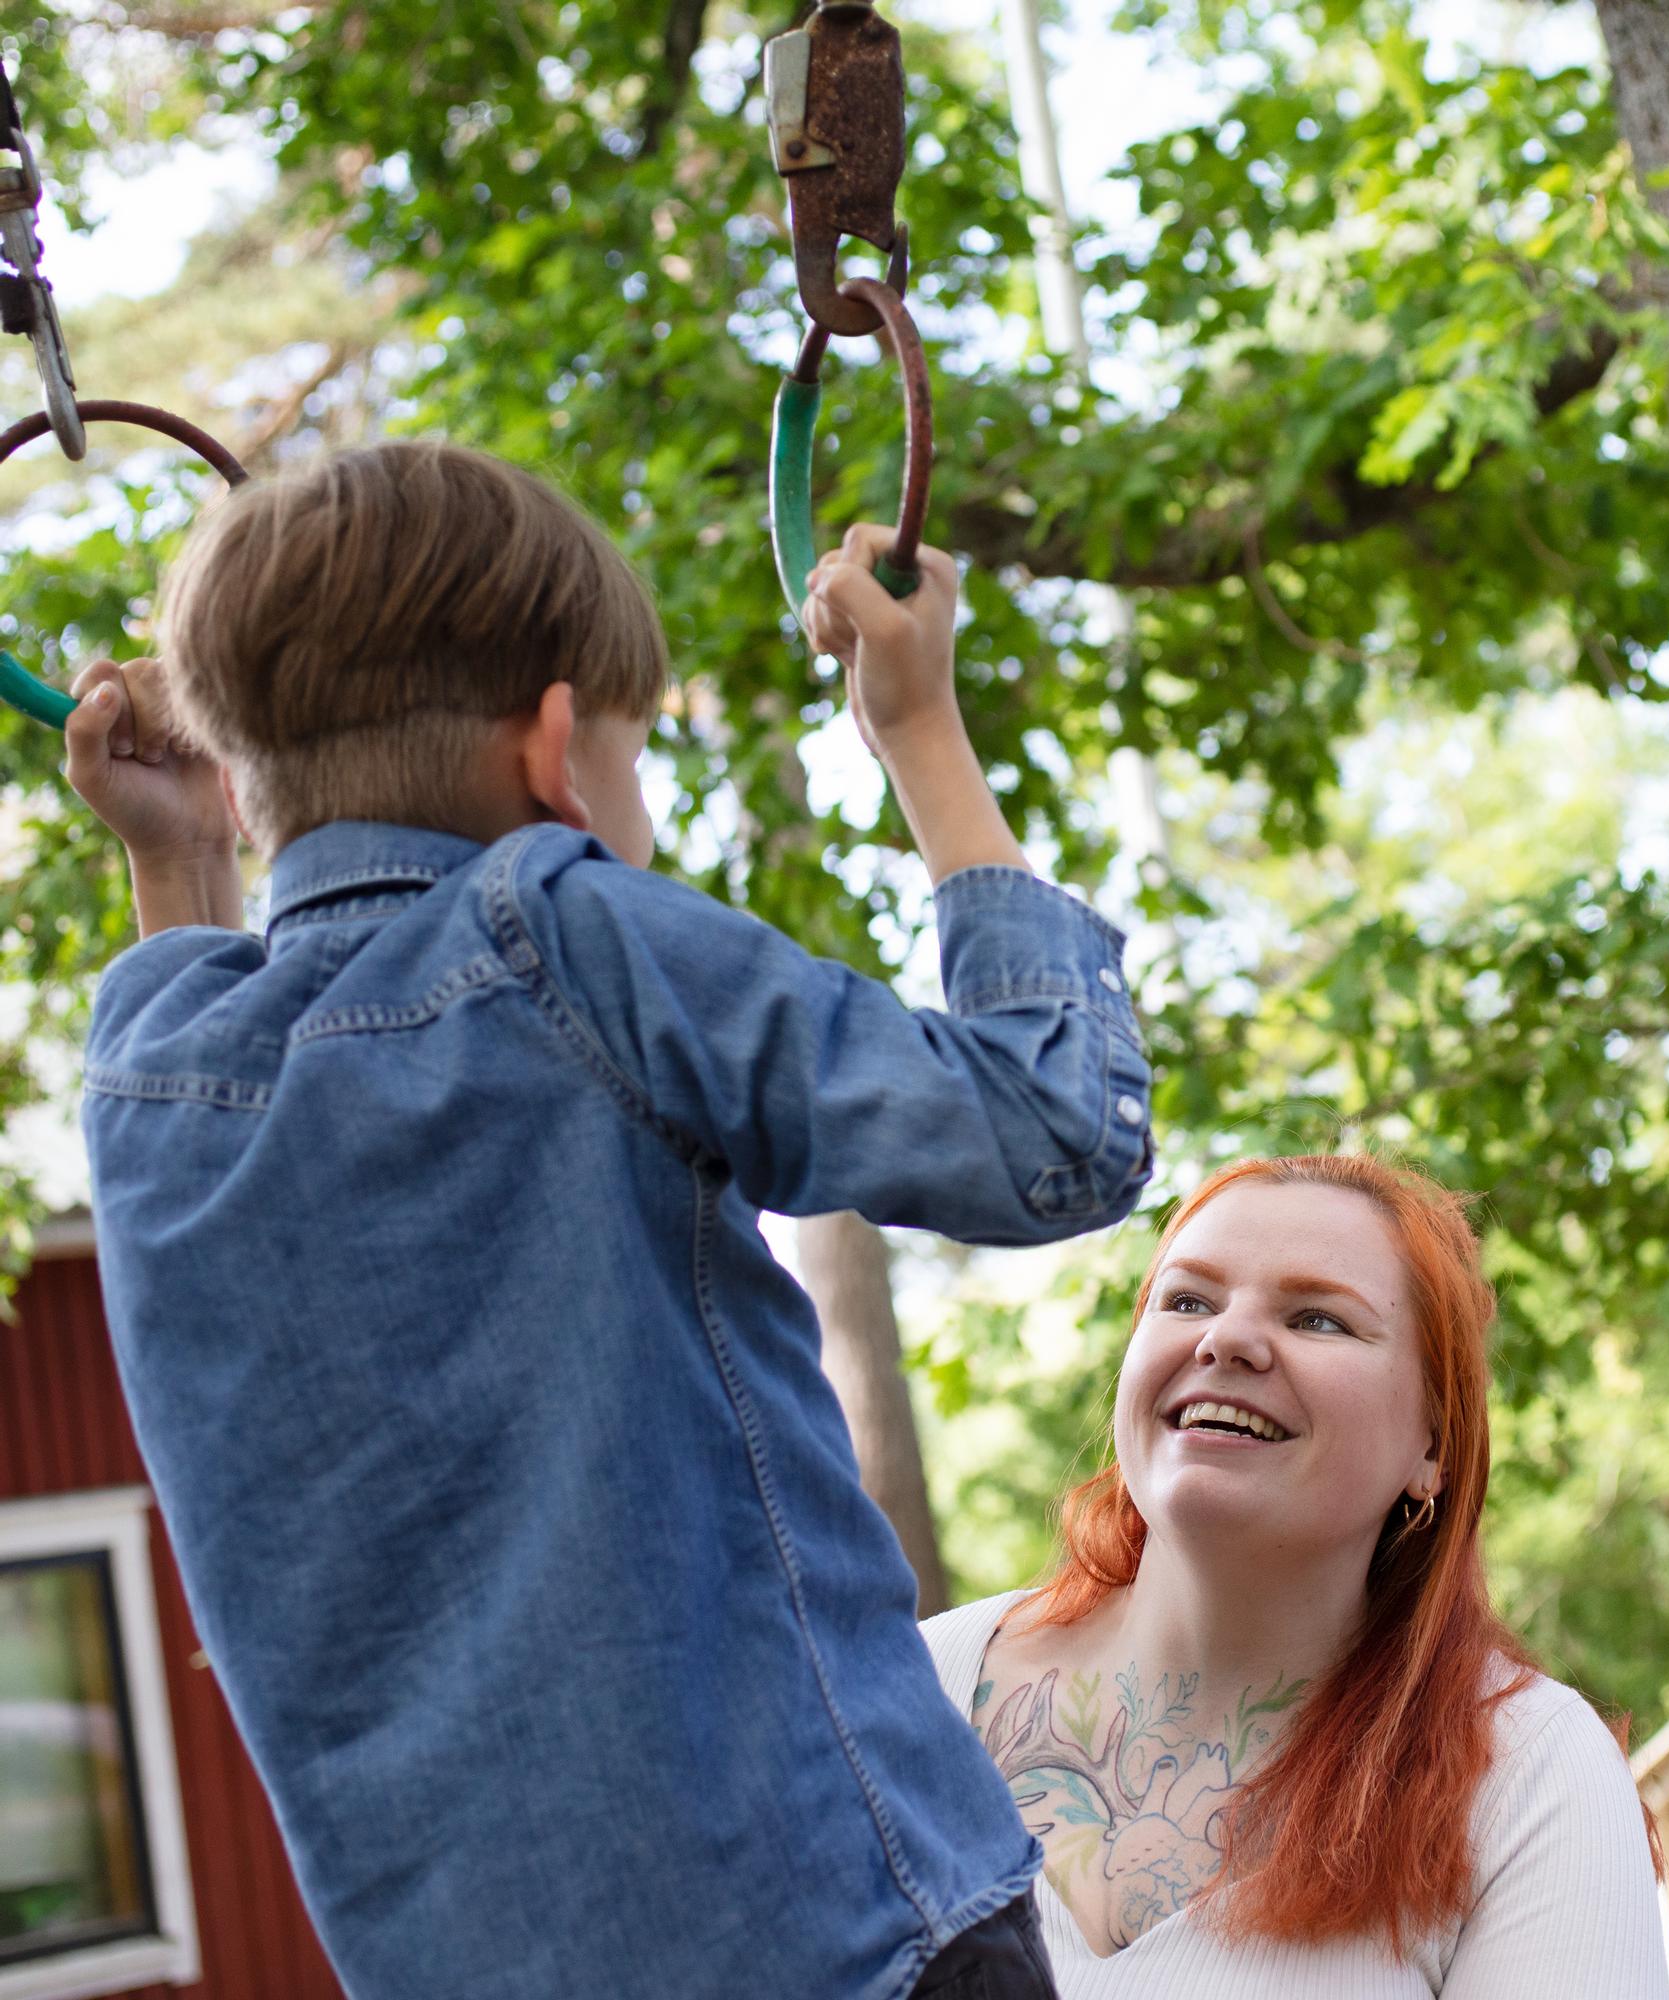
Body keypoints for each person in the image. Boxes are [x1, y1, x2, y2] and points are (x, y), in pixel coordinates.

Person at [64, 439, 1150, 2000]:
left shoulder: (150, 1061)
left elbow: (230, 1064)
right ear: (560, 757)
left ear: (244, 787)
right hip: (839, 1943)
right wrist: (918, 728)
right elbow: (1056, 1137)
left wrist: (181, 856)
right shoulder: (559, 930)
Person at [923, 1152, 1669, 1998]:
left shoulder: (1531, 1777)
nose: (1226, 1339)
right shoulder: (908, 1691)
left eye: (1318, 1319)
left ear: (1433, 1446)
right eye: (1187, 1300)